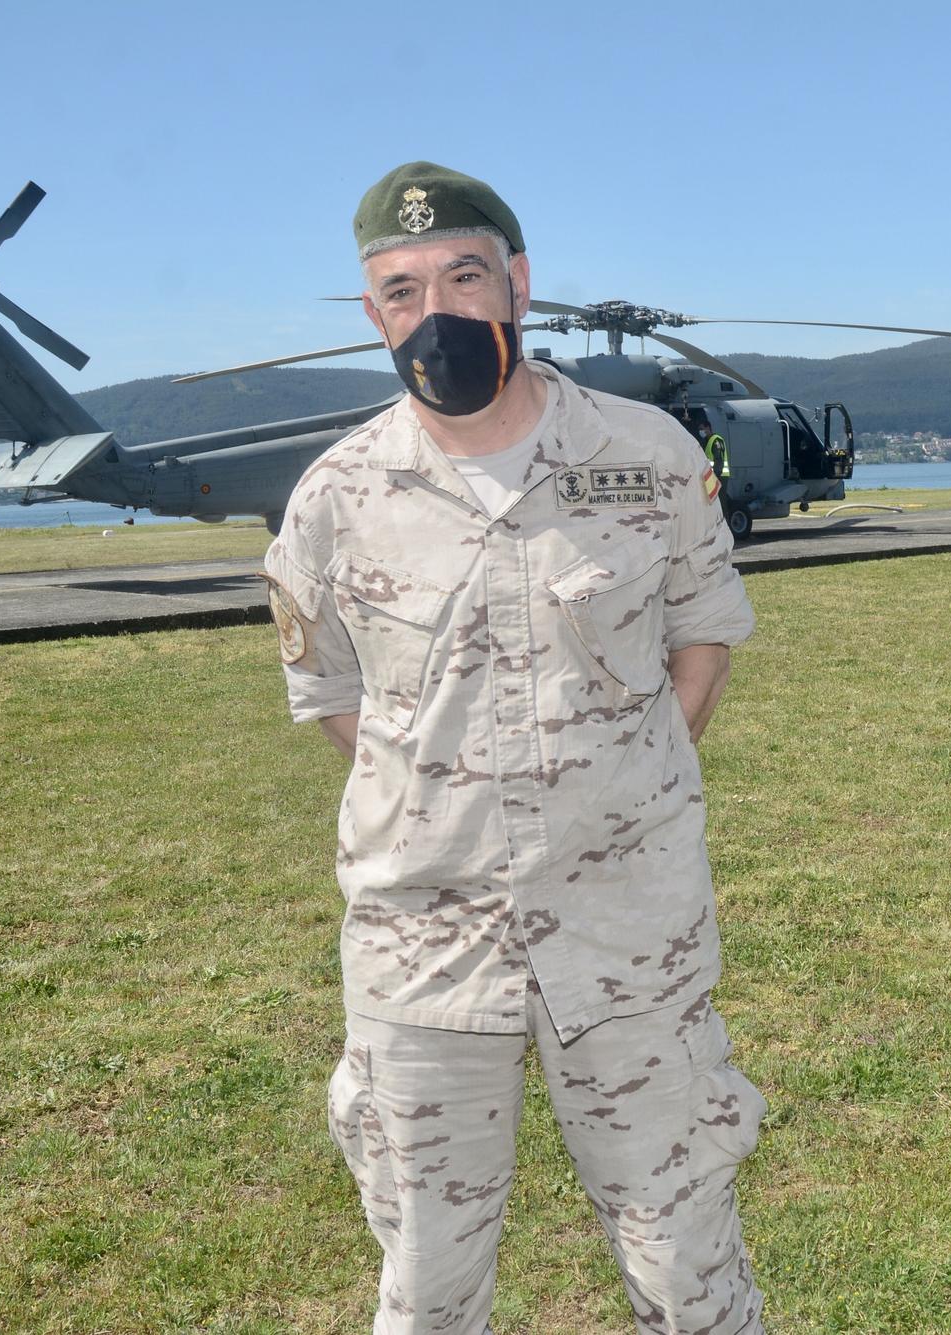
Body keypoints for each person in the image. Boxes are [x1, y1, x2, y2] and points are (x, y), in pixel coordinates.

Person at [261, 161, 766, 1335]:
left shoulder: (644, 456)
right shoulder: (334, 498)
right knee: (427, 1279)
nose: (432, 308)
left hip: (630, 930)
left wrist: (613, 787)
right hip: (421, 952)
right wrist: (449, 796)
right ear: (373, 313)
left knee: (684, 1254)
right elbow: (336, 699)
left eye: (462, 274)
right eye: (399, 288)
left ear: (518, 284)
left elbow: (699, 644)